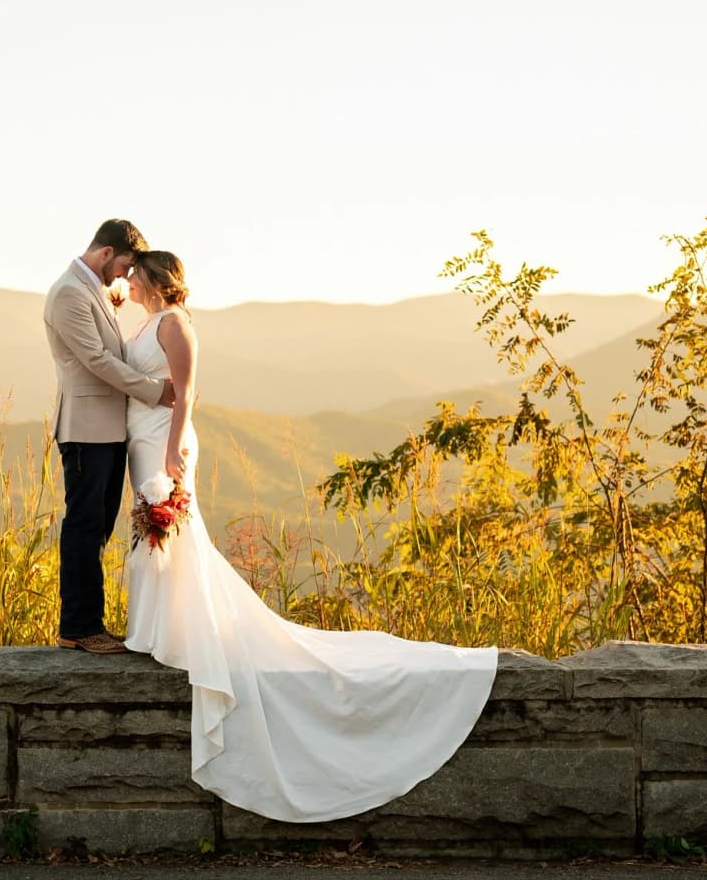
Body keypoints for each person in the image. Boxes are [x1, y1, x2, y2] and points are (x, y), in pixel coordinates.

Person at [120, 249, 501, 824]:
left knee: (173, 533)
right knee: (157, 535)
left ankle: (177, 631)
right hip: (140, 438)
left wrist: (174, 446)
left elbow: (186, 389)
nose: (129, 281)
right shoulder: (145, 320)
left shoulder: (176, 324)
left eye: (135, 274)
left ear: (155, 278)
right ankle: (162, 626)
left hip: (164, 441)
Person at [41, 219, 178, 654]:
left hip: (109, 431)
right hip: (85, 430)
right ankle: (79, 628)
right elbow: (97, 360)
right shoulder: (68, 294)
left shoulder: (93, 291)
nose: (124, 276)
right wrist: (156, 391)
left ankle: (88, 623)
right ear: (105, 254)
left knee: (97, 526)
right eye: (123, 266)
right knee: (83, 525)